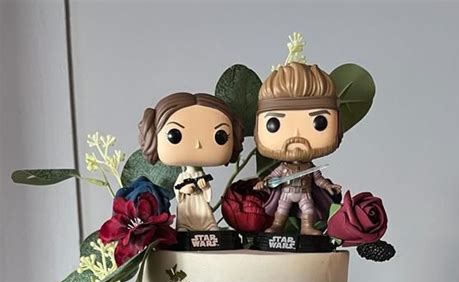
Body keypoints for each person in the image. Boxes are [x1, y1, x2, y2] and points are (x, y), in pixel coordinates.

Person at [254, 62, 343, 236]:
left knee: (308, 210)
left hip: (304, 193)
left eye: (319, 122)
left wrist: (328, 186)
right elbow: (272, 177)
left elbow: (318, 179)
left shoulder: (309, 167)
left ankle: (307, 227)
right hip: (286, 193)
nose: (296, 134)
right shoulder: (283, 167)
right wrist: (262, 182)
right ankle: (277, 226)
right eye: (274, 124)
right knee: (281, 210)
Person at [139, 93, 243, 232]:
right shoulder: (182, 177)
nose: (198, 144)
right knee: (185, 219)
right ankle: (184, 226)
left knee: (206, 215)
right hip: (187, 205)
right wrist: (183, 190)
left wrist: (205, 187)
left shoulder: (201, 174)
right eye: (175, 135)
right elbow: (177, 188)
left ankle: (209, 226)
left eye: (220, 136)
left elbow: (208, 194)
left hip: (201, 204)